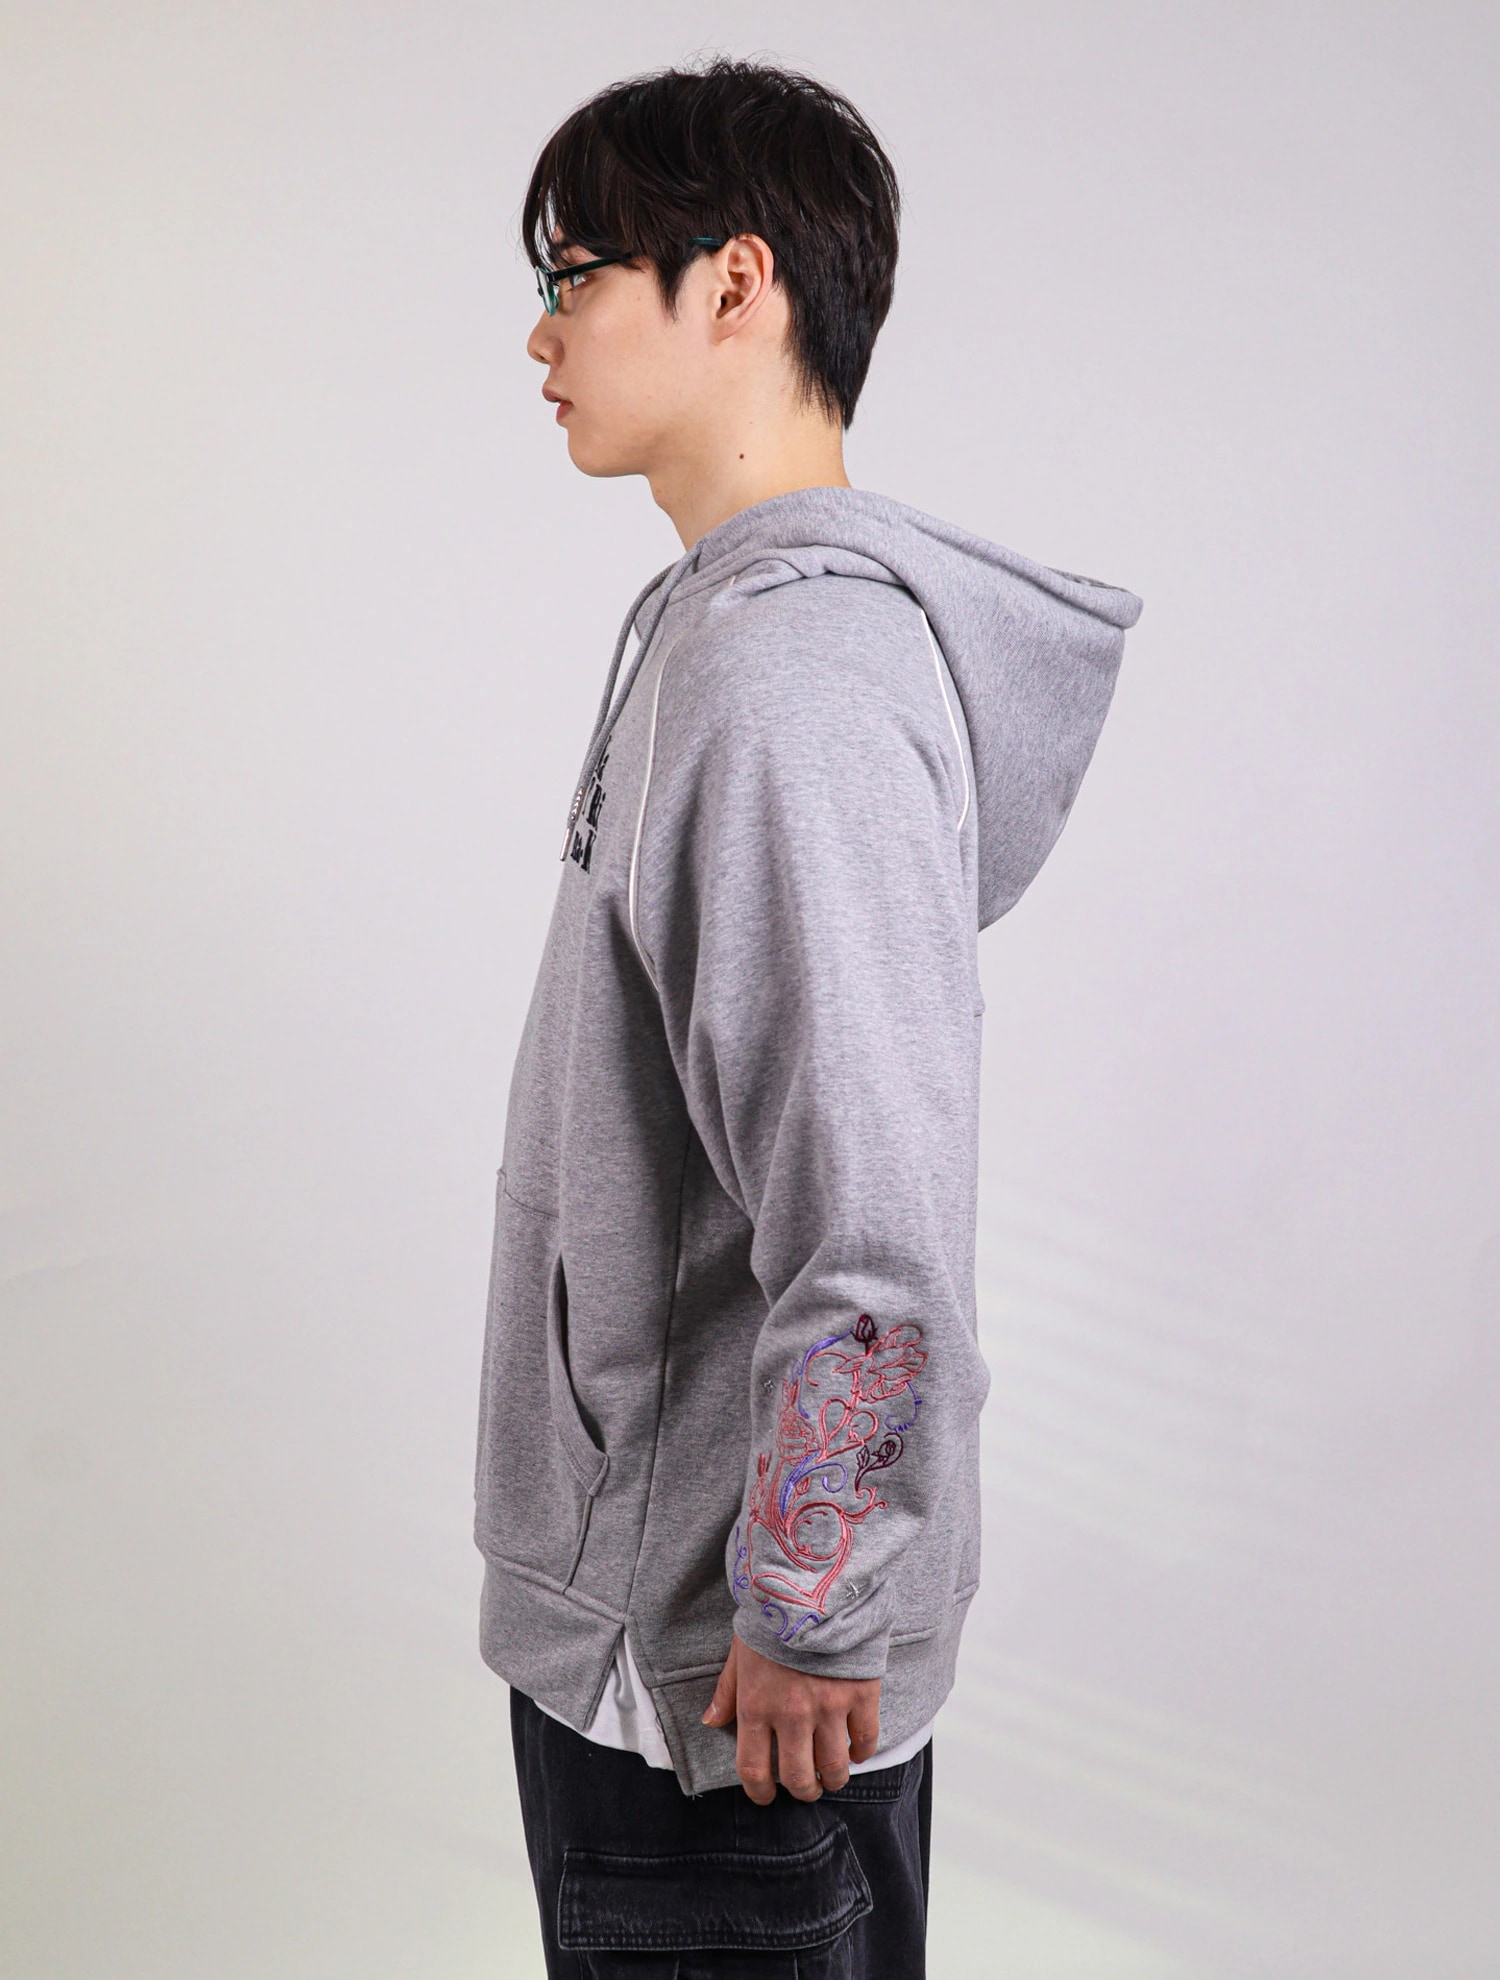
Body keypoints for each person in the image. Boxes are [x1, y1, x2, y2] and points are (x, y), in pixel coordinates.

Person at [476, 57, 1142, 1977]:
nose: (541, 331)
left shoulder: (792, 684)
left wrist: (811, 1603)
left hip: (721, 1689)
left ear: (737, 284)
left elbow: (874, 1221)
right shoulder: (724, 632)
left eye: (578, 273)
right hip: (690, 1640)